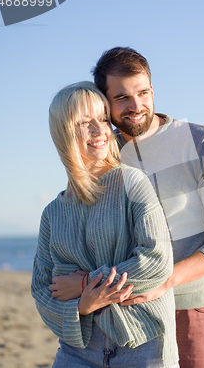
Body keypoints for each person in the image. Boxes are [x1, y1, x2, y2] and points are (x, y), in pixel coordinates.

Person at [50, 47, 204, 368]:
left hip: (189, 308)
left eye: (143, 92)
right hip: (126, 315)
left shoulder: (199, 141)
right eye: (122, 97)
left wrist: (164, 281)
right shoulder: (101, 150)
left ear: (153, 89)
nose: (136, 105)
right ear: (105, 102)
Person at [31, 82, 179, 368]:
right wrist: (82, 305)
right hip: (78, 349)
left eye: (103, 119)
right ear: (63, 132)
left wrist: (87, 282)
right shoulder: (52, 213)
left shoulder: (132, 183)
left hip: (142, 343)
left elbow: (157, 260)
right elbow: (41, 289)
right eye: (85, 123)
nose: (100, 131)